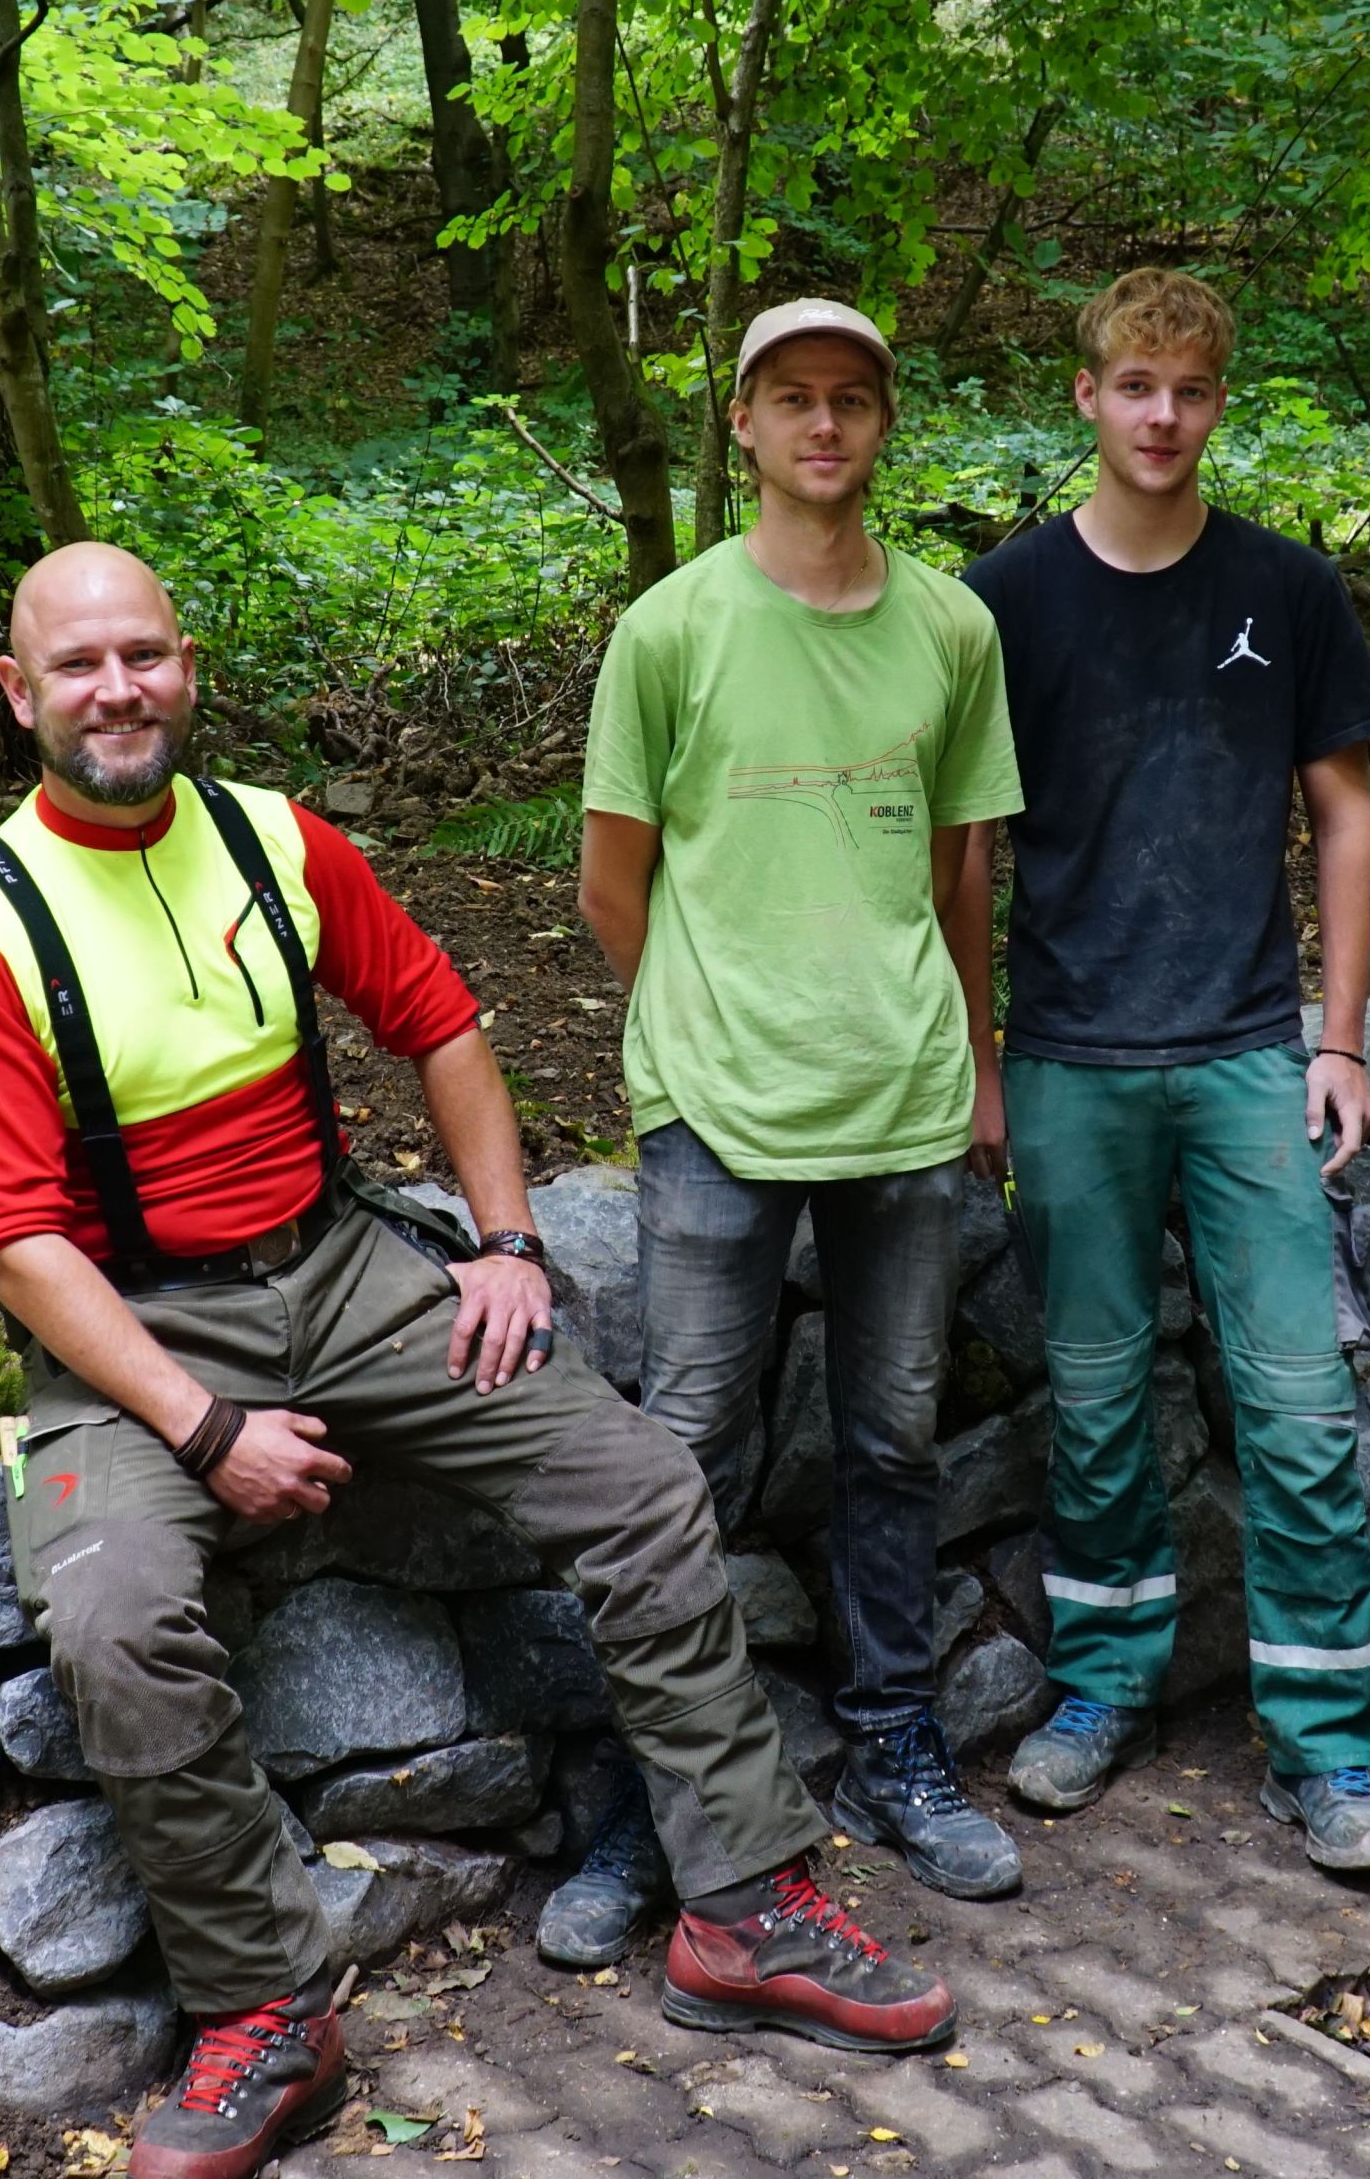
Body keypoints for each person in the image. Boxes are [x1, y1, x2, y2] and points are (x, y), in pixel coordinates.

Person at [0, 544, 961, 2179]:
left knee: (641, 1481)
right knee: (115, 1627)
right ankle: (270, 2015)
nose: (118, 692)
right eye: (79, 667)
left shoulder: (273, 839)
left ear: (187, 663)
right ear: (19, 690)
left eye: (145, 656)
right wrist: (207, 1431)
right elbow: (17, 1243)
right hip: (129, 1333)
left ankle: (744, 1908)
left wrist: (509, 1241)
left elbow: (444, 1024)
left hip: (337, 1271)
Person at [546, 297, 1027, 1954]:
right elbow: (613, 881)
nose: (825, 425)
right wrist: (702, 1022)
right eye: (792, 399)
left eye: (853, 400)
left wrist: (977, 1063)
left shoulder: (952, 628)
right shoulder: (670, 631)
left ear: (884, 424)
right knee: (682, 1459)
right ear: (742, 425)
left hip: (904, 1097)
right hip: (716, 1109)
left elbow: (961, 871)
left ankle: (896, 1742)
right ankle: (653, 1801)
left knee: (892, 1438)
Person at [952, 267, 1370, 1875]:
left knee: (1298, 1409)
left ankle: (1325, 1748)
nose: (1162, 415)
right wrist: (980, 1059)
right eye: (1134, 385)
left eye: (1191, 390)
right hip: (1070, 1059)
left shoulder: (1284, 586)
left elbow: (1345, 813)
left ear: (1221, 402)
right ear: (1085, 396)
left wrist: (1339, 1037)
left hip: (1247, 1054)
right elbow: (965, 847)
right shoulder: (1002, 599)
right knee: (1091, 1403)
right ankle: (1102, 1688)